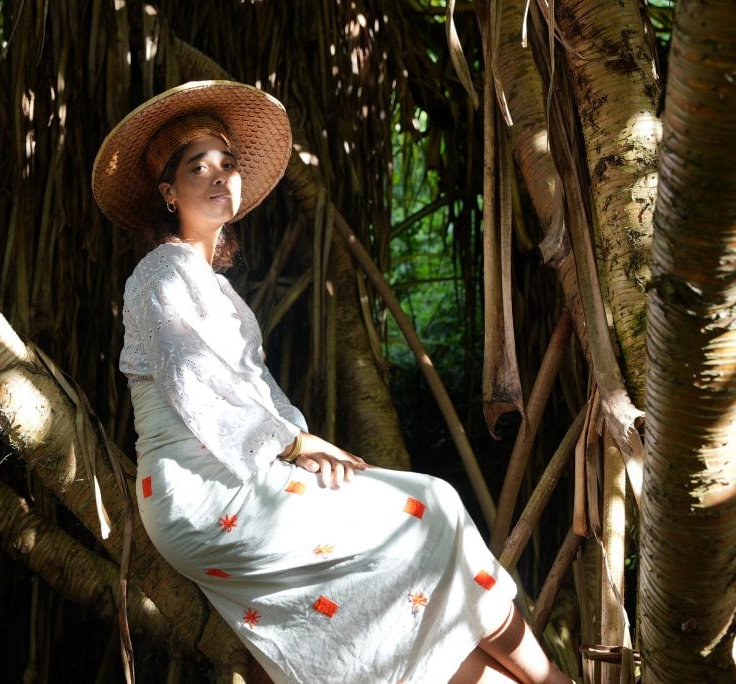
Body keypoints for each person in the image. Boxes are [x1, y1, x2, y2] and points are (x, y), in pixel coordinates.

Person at [92, 80, 570, 684]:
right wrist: (295, 445)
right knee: (432, 509)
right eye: (198, 166)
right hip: (203, 492)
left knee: (405, 566)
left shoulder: (215, 286)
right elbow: (197, 386)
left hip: (246, 473)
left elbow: (257, 392)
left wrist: (301, 446)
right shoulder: (159, 273)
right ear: (168, 192)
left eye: (228, 163)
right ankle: (553, 680)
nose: (219, 175)